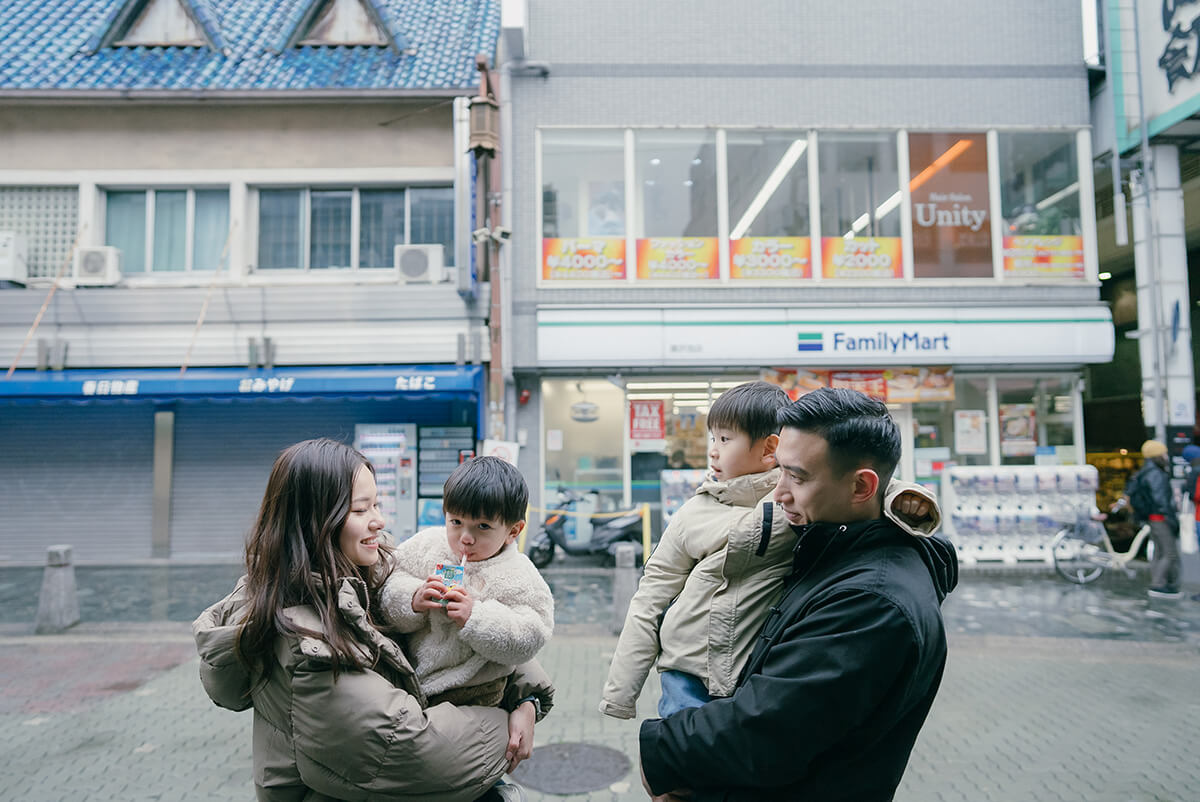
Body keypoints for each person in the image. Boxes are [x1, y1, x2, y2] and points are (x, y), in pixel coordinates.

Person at [639, 387, 958, 801]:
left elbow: (766, 732)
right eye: (780, 471)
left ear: (862, 486)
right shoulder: (830, 542)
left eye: (798, 476)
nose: (779, 492)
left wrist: (663, 752)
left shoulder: (872, 602)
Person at [192, 438, 551, 802]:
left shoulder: (365, 568)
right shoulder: (301, 640)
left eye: (376, 504)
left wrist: (526, 697)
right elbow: (412, 750)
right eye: (361, 510)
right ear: (315, 522)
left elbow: (490, 632)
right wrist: (506, 720)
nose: (379, 521)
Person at [600, 381, 942, 721]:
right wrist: (621, 692)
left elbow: (862, 479)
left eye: (725, 438)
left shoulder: (804, 493)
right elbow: (651, 597)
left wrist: (905, 500)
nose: (713, 451)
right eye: (712, 438)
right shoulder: (695, 512)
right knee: (681, 755)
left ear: (769, 449)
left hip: (752, 670)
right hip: (687, 671)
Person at [378, 456, 554, 707]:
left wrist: (476, 618)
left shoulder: (520, 574)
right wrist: (412, 598)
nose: (466, 537)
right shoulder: (427, 545)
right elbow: (390, 581)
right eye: (456, 522)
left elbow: (531, 635)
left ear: (513, 531)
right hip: (409, 679)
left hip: (476, 690)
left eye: (483, 526)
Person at [1114, 439, 1183, 599]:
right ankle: (1160, 585)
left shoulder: (1145, 472)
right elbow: (1160, 500)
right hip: (1161, 518)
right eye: (1163, 453)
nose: (1166, 456)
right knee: (1169, 553)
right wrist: (1170, 518)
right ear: (1157, 455)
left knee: (1160, 552)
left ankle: (1161, 584)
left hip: (1153, 518)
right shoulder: (1156, 474)